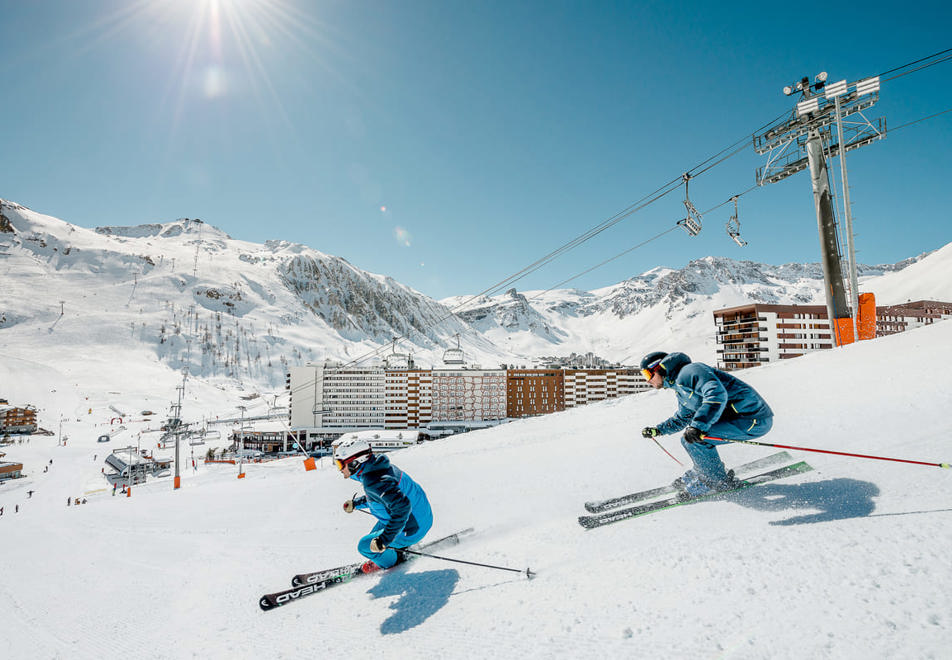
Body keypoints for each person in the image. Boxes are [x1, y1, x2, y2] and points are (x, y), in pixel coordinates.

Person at [639, 351, 774, 497]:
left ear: (658, 368)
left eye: (648, 375)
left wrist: (698, 426)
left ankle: (715, 481)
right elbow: (683, 418)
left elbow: (716, 394)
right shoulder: (679, 387)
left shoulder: (690, 371)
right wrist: (658, 430)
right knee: (691, 439)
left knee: (693, 441)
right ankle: (702, 470)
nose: (648, 381)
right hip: (739, 419)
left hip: (752, 418)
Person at [335, 437, 433, 574]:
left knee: (365, 546)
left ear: (355, 462)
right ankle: (392, 550)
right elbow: (382, 497)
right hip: (420, 517)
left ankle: (394, 560)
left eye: (340, 464)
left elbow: (402, 507)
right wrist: (356, 503)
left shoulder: (375, 481)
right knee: (372, 541)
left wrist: (384, 540)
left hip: (412, 528)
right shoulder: (377, 468)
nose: (339, 469)